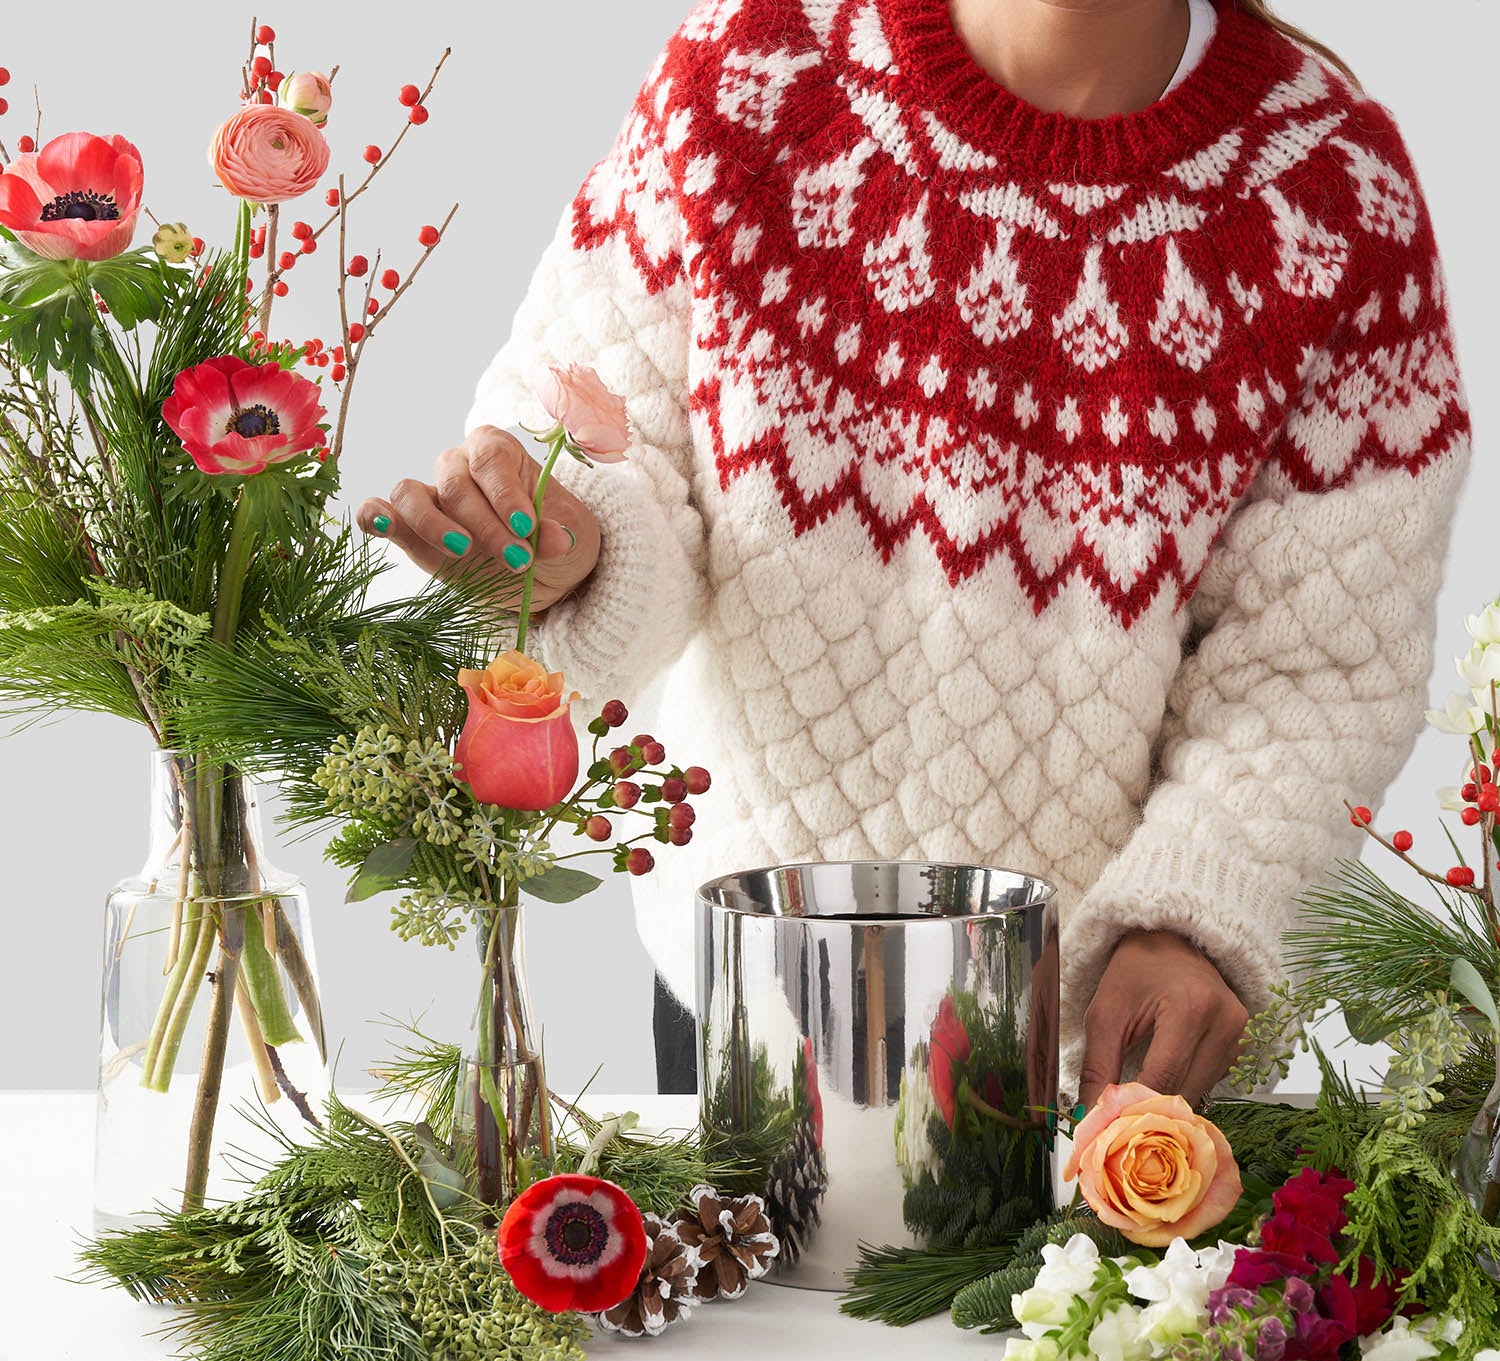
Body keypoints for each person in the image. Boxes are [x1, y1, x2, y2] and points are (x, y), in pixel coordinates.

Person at [358, 0, 1470, 1107]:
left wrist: (1191, 917)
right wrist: (569, 546)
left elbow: (1316, 666)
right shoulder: (758, 67)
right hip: (742, 997)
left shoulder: (1330, 195)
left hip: (1090, 1063)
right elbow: (598, 426)